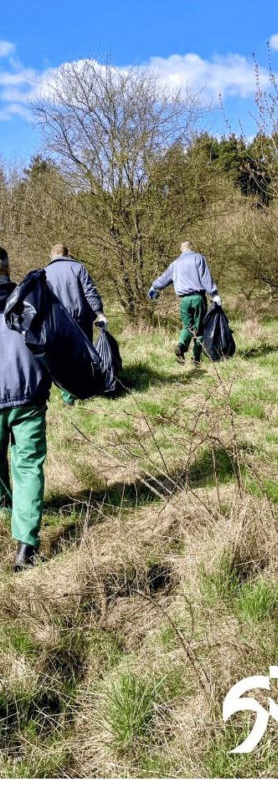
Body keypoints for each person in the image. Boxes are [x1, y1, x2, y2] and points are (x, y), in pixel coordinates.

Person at [0, 247, 51, 572]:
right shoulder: (29, 300)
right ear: (7, 269)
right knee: (29, 467)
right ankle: (25, 548)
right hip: (29, 394)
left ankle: (5, 509)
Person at [45, 244, 108, 405]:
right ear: (68, 254)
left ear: (51, 256)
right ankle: (86, 390)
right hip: (81, 320)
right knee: (84, 356)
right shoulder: (78, 268)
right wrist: (99, 312)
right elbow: (90, 292)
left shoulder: (44, 273)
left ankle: (68, 397)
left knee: (63, 358)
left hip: (58, 323)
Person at [148, 241, 220, 365]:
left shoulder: (175, 263)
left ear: (181, 250)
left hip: (184, 301)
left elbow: (164, 278)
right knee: (200, 328)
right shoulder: (198, 258)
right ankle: (196, 358)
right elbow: (205, 277)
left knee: (187, 327)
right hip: (198, 298)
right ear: (192, 247)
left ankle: (181, 346)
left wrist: (154, 287)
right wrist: (214, 294)